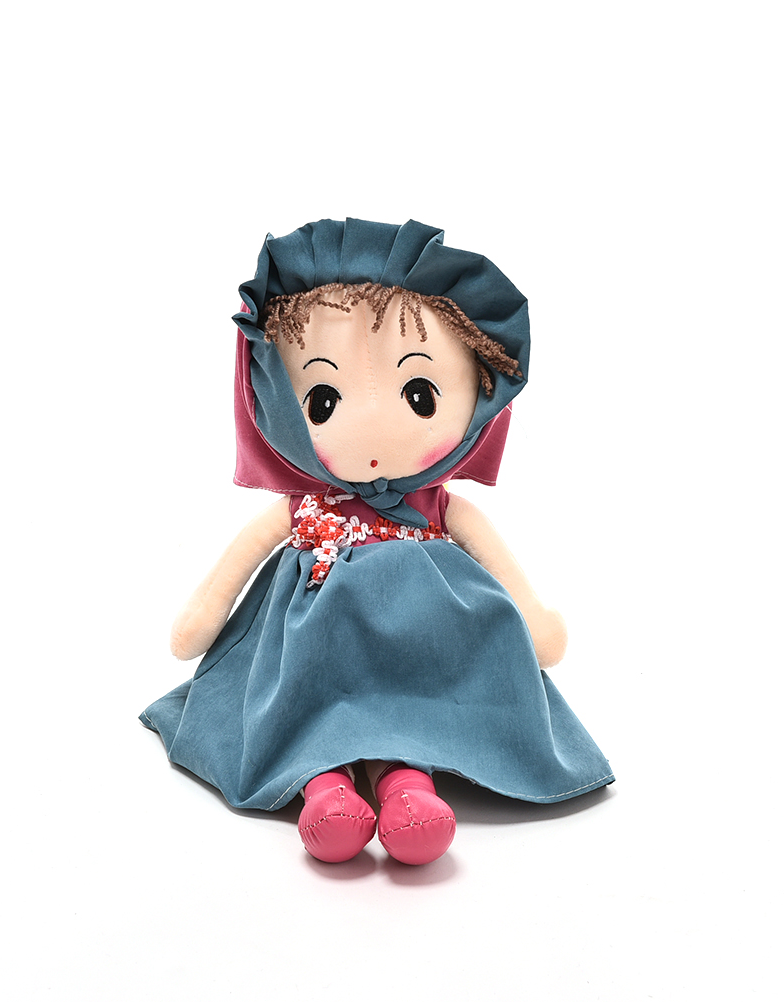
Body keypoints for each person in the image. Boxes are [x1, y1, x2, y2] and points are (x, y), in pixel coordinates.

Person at [140, 218, 613, 865]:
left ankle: (407, 785)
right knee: (304, 705)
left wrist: (532, 618)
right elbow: (241, 561)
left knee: (416, 708)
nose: (368, 420)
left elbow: (490, 554)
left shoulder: (440, 508)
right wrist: (202, 617)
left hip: (426, 643)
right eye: (322, 400)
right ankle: (324, 787)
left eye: (420, 394)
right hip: (314, 650)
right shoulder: (305, 509)